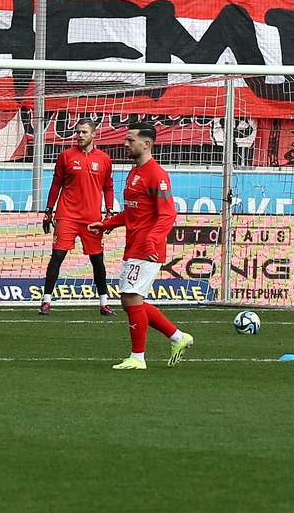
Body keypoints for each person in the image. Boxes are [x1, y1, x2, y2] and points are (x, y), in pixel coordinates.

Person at [92, 121, 192, 369]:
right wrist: (107, 225)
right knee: (130, 301)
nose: (125, 144)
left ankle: (138, 358)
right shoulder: (134, 172)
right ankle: (178, 338)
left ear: (146, 144)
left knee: (132, 298)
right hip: (134, 245)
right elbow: (132, 213)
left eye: (130, 140)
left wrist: (152, 239)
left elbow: (168, 214)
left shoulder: (156, 174)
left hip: (147, 248)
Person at [39, 118, 114, 316]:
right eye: (78, 132)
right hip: (67, 216)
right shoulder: (66, 156)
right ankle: (46, 300)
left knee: (97, 260)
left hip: (92, 219)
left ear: (93, 134)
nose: (80, 135)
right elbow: (56, 184)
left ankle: (104, 303)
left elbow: (108, 186)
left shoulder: (104, 159)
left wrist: (110, 210)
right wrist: (49, 210)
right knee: (57, 256)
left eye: (84, 132)